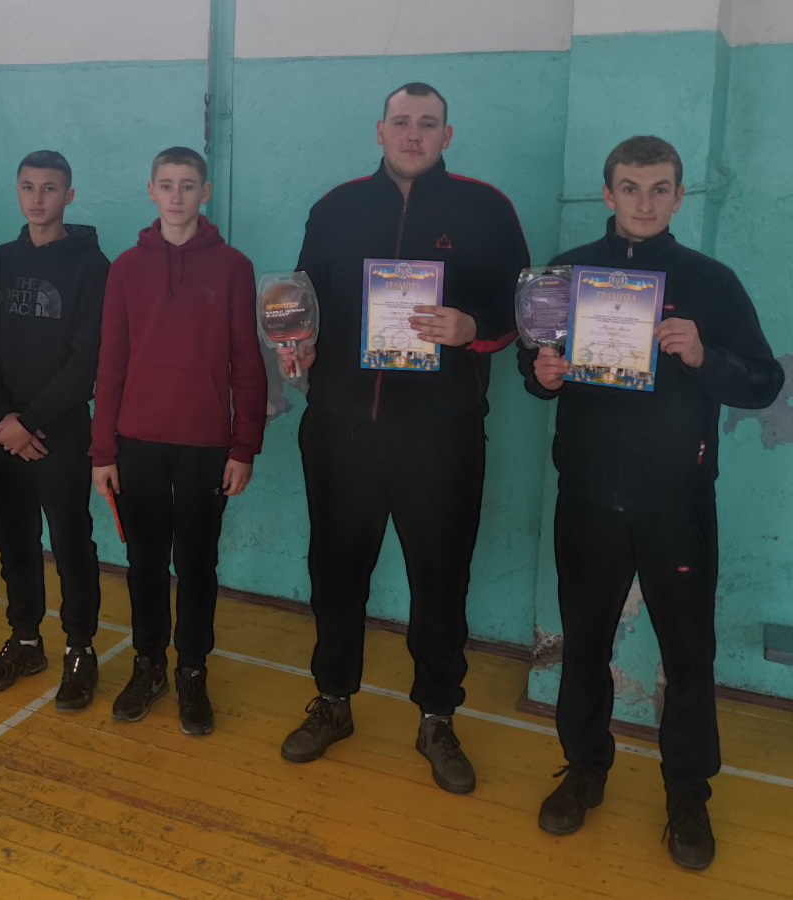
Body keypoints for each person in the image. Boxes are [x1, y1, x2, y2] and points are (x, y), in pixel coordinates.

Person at [521, 136, 783, 870]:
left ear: (678, 196)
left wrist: (703, 356)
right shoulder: (566, 273)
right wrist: (543, 374)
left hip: (678, 506)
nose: (645, 201)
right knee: (585, 647)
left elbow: (763, 382)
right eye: (631, 188)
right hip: (587, 499)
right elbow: (532, 366)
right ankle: (584, 770)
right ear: (608, 194)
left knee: (688, 656)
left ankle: (688, 796)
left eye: (659, 188)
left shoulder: (712, 283)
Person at [278, 83, 529, 795]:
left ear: (447, 135)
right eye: (401, 122)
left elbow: (524, 311)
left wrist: (473, 328)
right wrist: (299, 343)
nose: (413, 134)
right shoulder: (336, 207)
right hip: (341, 430)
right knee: (335, 574)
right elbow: (303, 301)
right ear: (379, 131)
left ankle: (437, 718)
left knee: (441, 582)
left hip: (440, 436)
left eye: (428, 123)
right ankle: (333, 701)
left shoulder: (486, 207)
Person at [90, 146, 267, 736]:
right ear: (151, 191)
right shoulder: (125, 268)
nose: (176, 196)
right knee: (143, 563)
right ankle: (148, 666)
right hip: (137, 443)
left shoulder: (234, 267)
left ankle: (192, 670)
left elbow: (248, 364)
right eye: (165, 184)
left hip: (206, 446)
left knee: (196, 564)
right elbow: (110, 365)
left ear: (205, 193)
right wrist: (103, 451)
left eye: (187, 185)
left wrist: (243, 447)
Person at [0, 151, 108, 709]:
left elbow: (87, 359)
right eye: (28, 186)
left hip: (59, 432)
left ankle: (80, 650)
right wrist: (6, 417)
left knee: (71, 545)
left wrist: (30, 421)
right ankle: (25, 641)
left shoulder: (93, 268)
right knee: (15, 545)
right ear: (18, 192)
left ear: (68, 196)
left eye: (49, 188)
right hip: (0, 430)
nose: (37, 198)